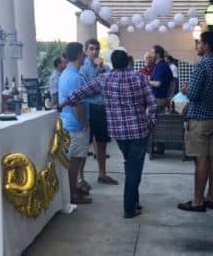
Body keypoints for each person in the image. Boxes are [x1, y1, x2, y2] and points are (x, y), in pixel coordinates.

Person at [60, 50, 157, 218]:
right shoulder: (139, 78)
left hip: (118, 133)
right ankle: (129, 207)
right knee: (134, 168)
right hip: (139, 130)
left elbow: (79, 93)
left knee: (131, 165)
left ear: (112, 62)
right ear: (127, 62)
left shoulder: (104, 79)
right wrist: (151, 121)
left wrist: (63, 103)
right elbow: (153, 104)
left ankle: (133, 202)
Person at [178, 31, 213, 212]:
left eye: (199, 43)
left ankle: (198, 201)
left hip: (199, 119)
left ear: (206, 45)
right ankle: (210, 198)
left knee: (200, 161)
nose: (197, 46)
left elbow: (193, 94)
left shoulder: (201, 66)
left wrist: (185, 89)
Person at [80, 38, 118, 185]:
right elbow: (87, 91)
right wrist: (98, 73)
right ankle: (80, 177)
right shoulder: (82, 69)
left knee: (102, 143)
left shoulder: (107, 68)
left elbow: (109, 87)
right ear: (86, 51)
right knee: (85, 144)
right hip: (89, 108)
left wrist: (101, 69)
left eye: (96, 48)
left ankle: (102, 174)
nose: (94, 51)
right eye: (91, 49)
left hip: (103, 108)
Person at [58, 42, 92, 205]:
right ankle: (72, 194)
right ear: (79, 55)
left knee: (74, 161)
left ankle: (73, 189)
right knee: (74, 162)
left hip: (68, 123)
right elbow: (77, 104)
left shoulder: (66, 73)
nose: (86, 55)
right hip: (76, 125)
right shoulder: (75, 77)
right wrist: (85, 123)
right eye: (84, 53)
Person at [149, 45, 173, 112]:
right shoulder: (164, 66)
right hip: (162, 99)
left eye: (152, 53)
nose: (151, 55)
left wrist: (146, 81)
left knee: (154, 121)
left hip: (158, 100)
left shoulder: (161, 66)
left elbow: (158, 83)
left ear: (158, 54)